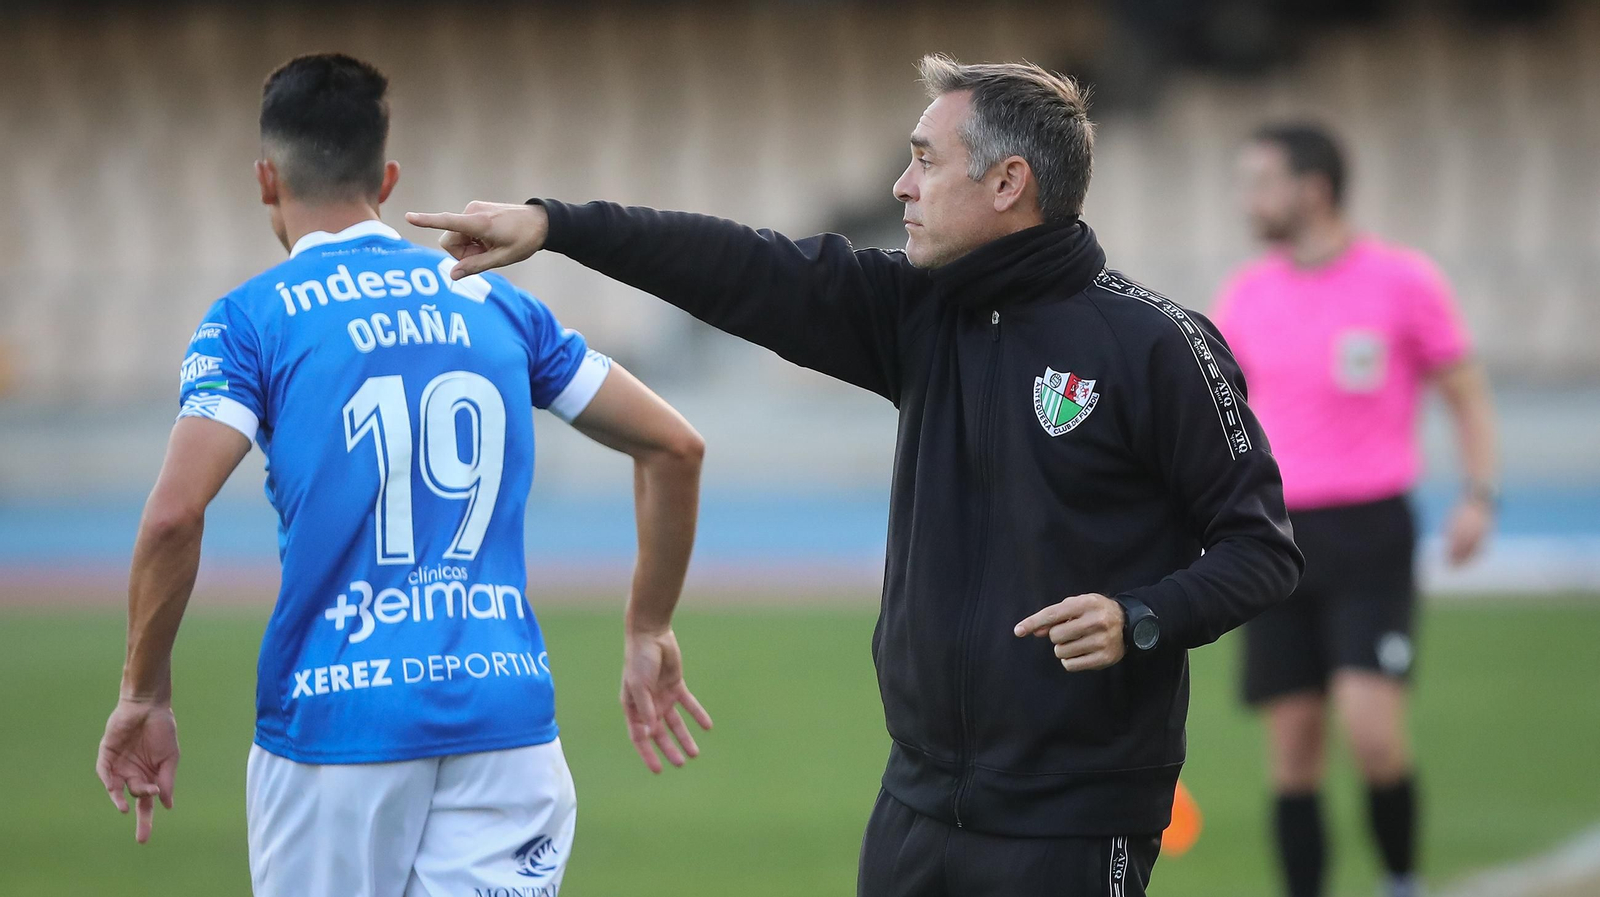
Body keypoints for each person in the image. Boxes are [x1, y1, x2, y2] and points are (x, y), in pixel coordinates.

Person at [410, 54, 1304, 896]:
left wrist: (1140, 615)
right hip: (916, 802)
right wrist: (558, 226)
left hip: (1074, 815)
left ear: (1007, 183)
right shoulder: (914, 309)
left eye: (925, 160)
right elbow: (742, 265)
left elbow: (1261, 548)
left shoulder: (1155, 345)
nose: (902, 186)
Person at [93, 54, 713, 897]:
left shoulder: (251, 319)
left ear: (266, 179)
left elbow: (173, 516)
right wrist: (648, 626)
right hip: (506, 719)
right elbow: (675, 446)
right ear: (387, 179)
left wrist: (144, 693)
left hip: (337, 721)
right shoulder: (495, 299)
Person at [1216, 124, 1498, 897]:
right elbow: (1216, 416)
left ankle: (1400, 879)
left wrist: (1479, 494)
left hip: (1370, 531)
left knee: (1372, 732)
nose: (1248, 200)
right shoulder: (1246, 294)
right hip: (1275, 537)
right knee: (1293, 746)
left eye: (1262, 182)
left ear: (1313, 189)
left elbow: (1466, 394)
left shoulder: (1403, 282)